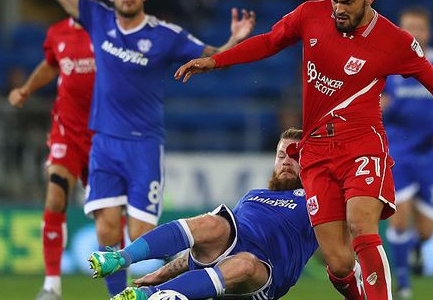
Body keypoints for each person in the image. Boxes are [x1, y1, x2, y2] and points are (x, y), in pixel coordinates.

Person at [175, 0, 433, 300]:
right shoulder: (311, 14)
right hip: (316, 150)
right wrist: (216, 60)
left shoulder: (394, 41)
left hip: (362, 143)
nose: (338, 8)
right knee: (339, 262)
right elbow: (268, 41)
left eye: (348, 1)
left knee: (360, 224)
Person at [8, 0, 256, 297]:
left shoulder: (164, 35)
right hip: (103, 143)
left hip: (143, 146)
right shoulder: (97, 20)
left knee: (143, 243)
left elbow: (212, 56)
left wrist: (233, 40)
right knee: (106, 230)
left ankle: (167, 289)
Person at [88, 128, 322, 300]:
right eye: (281, 156)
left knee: (246, 263)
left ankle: (147, 296)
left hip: (261, 275)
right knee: (213, 223)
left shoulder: (317, 200)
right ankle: (121, 258)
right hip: (225, 256)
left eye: (295, 156)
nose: (287, 162)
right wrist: (163, 272)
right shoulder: (252, 195)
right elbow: (197, 249)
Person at [7, 0, 101, 300]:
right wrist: (27, 89)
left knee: (107, 216)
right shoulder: (57, 33)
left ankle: (123, 281)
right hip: (67, 132)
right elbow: (50, 66)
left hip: (106, 135)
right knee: (55, 194)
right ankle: (51, 286)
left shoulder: (110, 30)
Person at [381, 6, 433, 299]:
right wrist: (381, 104)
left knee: (427, 231)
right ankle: (403, 282)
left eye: (419, 27)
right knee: (400, 217)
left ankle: (414, 252)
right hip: (397, 153)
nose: (413, 32)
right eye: (408, 27)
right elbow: (373, 100)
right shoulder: (389, 64)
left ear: (427, 32)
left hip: (430, 156)